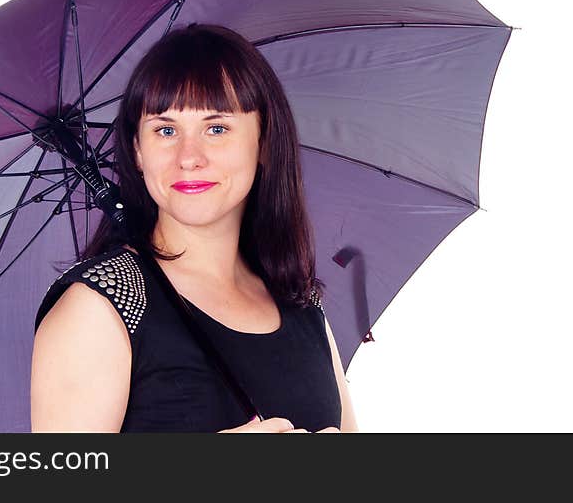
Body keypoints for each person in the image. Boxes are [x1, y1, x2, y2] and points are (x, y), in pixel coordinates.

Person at [31, 23, 358, 433]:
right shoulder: (98, 308)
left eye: (216, 128)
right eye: (166, 130)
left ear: (264, 142)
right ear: (136, 150)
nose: (189, 157)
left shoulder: (301, 303)